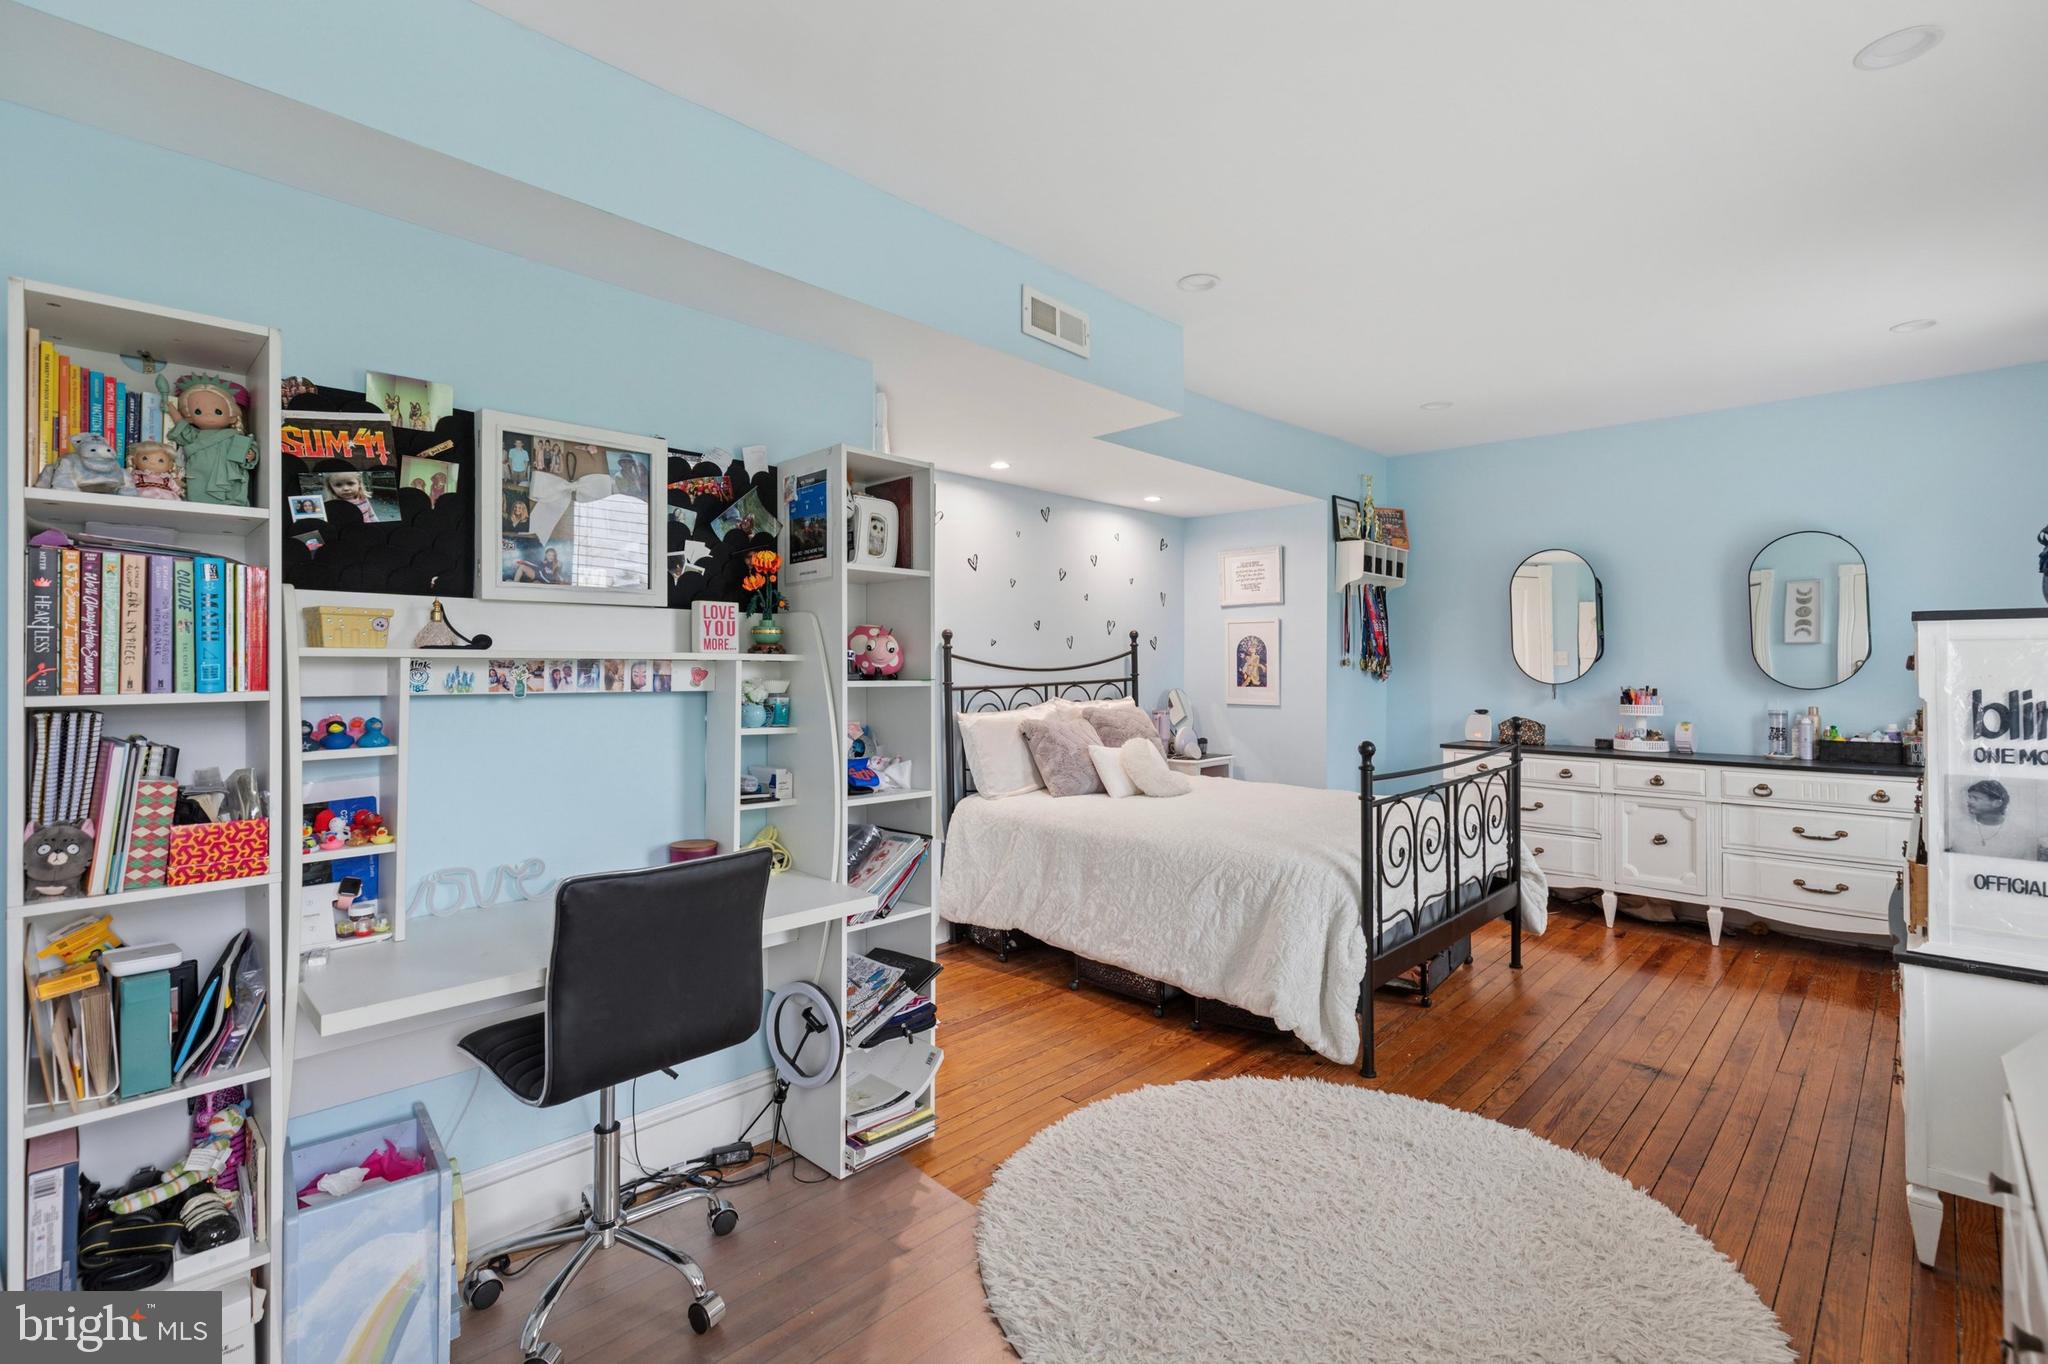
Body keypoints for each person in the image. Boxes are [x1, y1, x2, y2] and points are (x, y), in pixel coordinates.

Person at [1949, 778, 2045, 860]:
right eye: (1969, 797)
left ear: (1997, 803)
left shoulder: (2022, 835)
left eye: (1975, 798)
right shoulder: (1956, 827)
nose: (1969, 801)